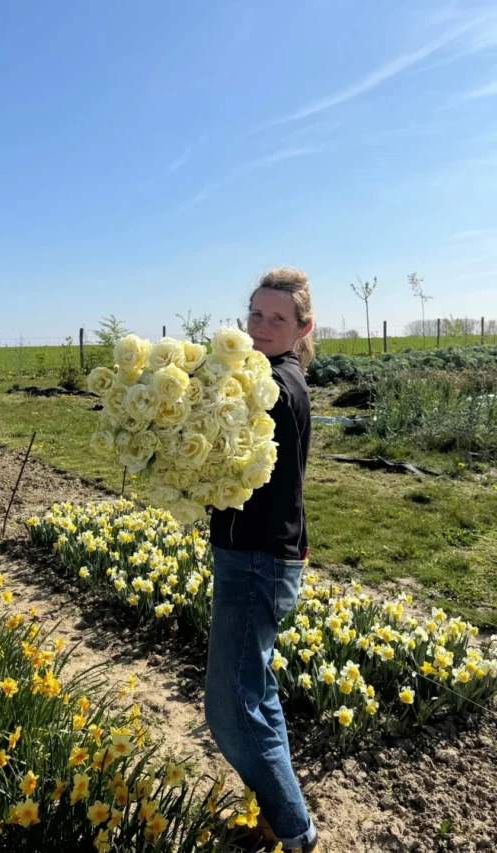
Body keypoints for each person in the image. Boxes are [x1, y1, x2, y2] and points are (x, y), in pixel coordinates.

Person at [205, 267, 319, 853]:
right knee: (256, 693)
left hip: (256, 561)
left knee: (230, 707)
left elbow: (230, 464)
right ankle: (282, 820)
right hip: (256, 556)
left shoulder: (275, 386)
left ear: (303, 327)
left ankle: (295, 831)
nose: (262, 327)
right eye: (255, 314)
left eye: (278, 318)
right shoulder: (265, 376)